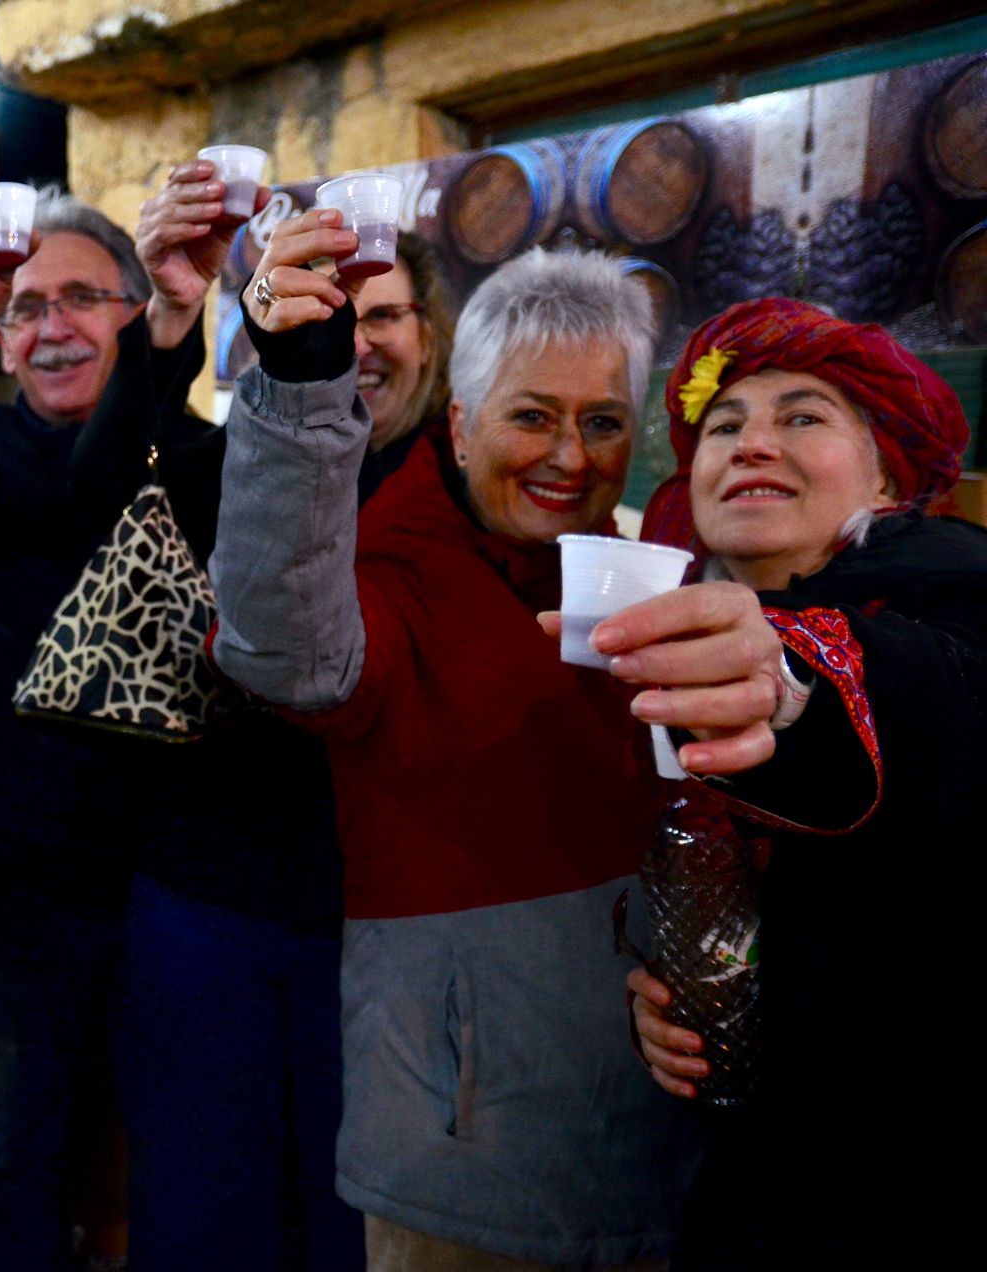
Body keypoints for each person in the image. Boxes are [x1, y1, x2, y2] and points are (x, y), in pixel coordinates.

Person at [209, 225, 703, 1269]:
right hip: (466, 1165)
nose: (570, 456)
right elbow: (281, 648)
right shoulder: (392, 571)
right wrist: (299, 390)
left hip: (651, 1151)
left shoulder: (631, 574)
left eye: (602, 421)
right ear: (465, 425)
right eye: (533, 416)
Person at [65, 160, 450, 1270]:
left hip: (382, 915)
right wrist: (170, 308)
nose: (355, 337)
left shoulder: (457, 480)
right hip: (209, 895)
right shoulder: (242, 457)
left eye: (383, 313)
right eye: (328, 304)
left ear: (430, 336)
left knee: (349, 1220)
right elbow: (111, 482)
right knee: (203, 1209)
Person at [597, 298, 987, 1267]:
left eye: (802, 416)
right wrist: (685, 997)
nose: (753, 443)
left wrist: (788, 684)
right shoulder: (688, 638)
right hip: (753, 1182)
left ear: (887, 474)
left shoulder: (958, 593)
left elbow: (931, 705)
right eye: (723, 425)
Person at [0, 187, 164, 1268]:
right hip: (11, 881)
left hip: (174, 873)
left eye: (82, 299)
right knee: (17, 1148)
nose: (52, 327)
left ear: (137, 313)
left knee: (164, 1138)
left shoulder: (192, 451)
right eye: (25, 307)